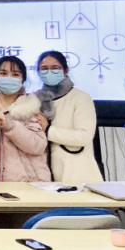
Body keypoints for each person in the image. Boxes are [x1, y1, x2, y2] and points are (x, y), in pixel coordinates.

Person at [34, 50, 103, 183]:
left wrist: (48, 130)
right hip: (43, 175)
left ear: (66, 70)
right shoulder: (35, 99)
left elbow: (84, 136)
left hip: (77, 175)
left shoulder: (81, 98)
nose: (49, 72)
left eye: (55, 68)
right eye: (44, 68)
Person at [0, 56, 51, 182]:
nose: (9, 78)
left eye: (16, 74)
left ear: (23, 79)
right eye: (3, 73)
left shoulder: (31, 108)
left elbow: (38, 146)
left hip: (30, 182)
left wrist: (10, 126)